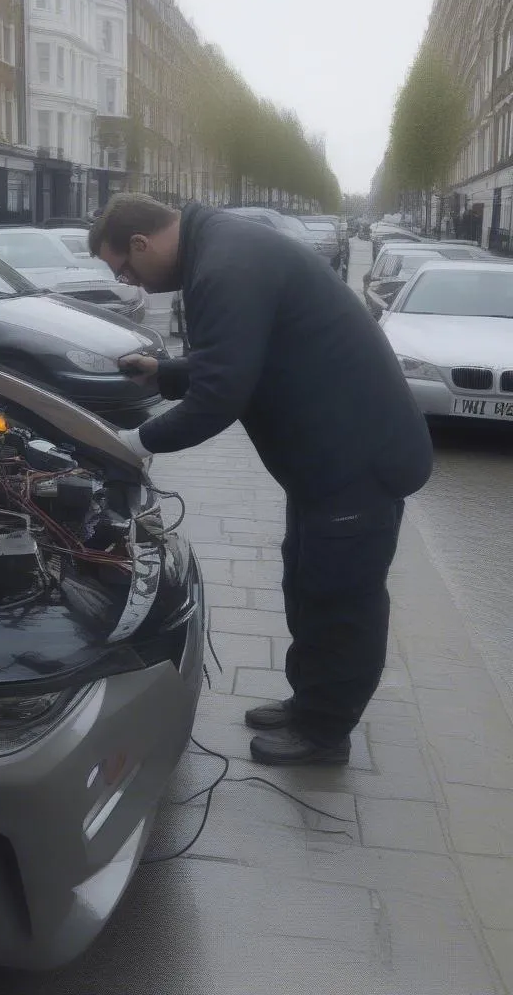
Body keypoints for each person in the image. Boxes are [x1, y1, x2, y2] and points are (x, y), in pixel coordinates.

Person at [89, 194, 433, 766]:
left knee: (341, 597)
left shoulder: (223, 266)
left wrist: (135, 445)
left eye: (123, 267)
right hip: (325, 465)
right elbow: (249, 356)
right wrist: (167, 373)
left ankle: (325, 733)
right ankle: (309, 702)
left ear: (142, 243)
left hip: (357, 462)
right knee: (306, 580)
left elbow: (222, 395)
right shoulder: (220, 249)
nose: (128, 281)